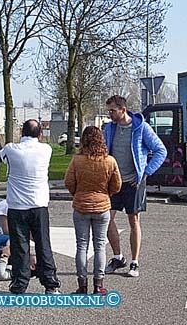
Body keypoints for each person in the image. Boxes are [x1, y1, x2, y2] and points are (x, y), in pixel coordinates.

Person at [103, 95, 167, 278]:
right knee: (106, 219)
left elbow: (161, 150)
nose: (110, 115)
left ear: (123, 109)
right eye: (109, 111)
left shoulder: (141, 128)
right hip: (114, 182)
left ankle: (134, 262)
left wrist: (146, 172)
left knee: (134, 221)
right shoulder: (109, 128)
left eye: (112, 111)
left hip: (134, 182)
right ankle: (117, 257)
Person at [1, 119, 60, 294]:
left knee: (20, 247)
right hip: (39, 204)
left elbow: (2, 158)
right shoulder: (46, 150)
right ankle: (50, 283)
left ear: (22, 133)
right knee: (43, 245)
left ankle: (19, 284)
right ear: (40, 134)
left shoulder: (11, 149)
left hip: (17, 206)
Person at [65, 125, 122, 294]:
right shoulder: (110, 161)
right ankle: (98, 285)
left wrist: (77, 193)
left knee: (81, 246)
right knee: (99, 246)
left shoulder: (77, 160)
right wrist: (106, 193)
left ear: (84, 140)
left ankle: (82, 285)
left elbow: (69, 181)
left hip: (81, 205)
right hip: (102, 206)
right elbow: (117, 185)